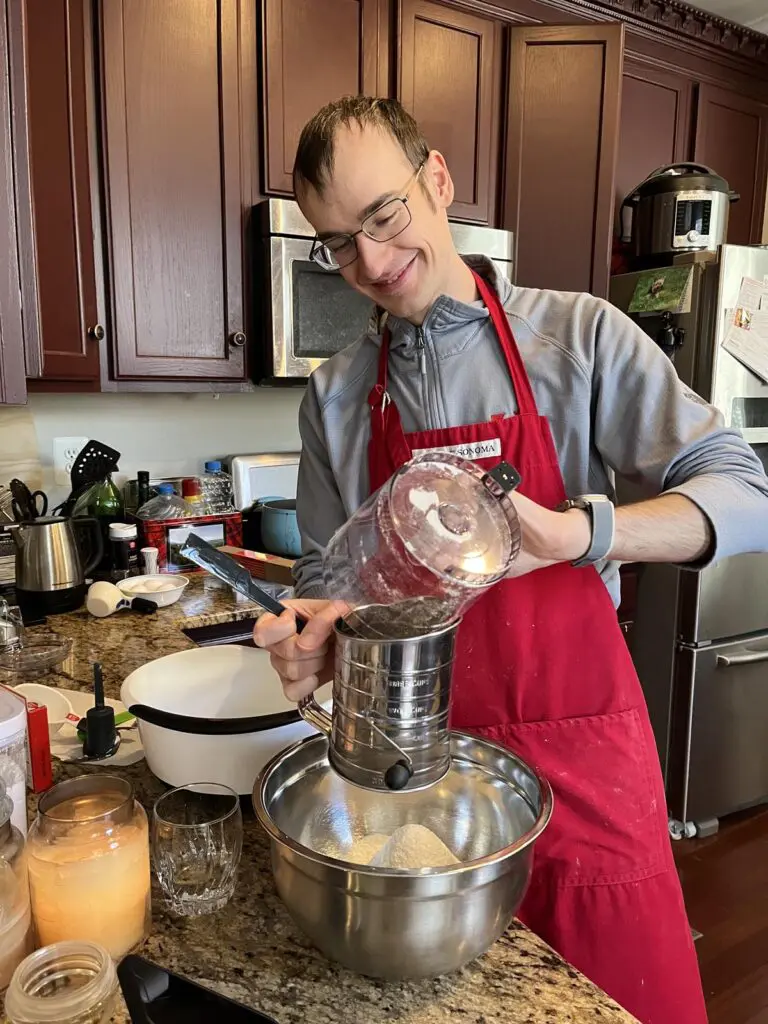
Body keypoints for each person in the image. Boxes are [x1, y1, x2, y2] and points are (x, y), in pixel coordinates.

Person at [254, 95, 768, 1023]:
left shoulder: (579, 337)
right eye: (336, 243)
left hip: (585, 756)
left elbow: (746, 492)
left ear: (438, 180)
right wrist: (307, 643)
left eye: (385, 215)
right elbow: (331, 592)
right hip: (415, 783)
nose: (369, 262)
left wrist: (584, 534)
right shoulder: (333, 400)